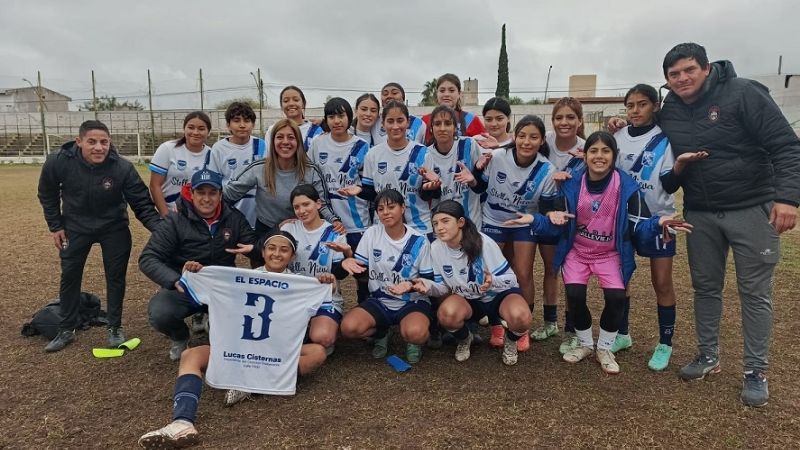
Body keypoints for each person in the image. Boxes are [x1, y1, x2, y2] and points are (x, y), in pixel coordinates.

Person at [653, 43, 798, 406]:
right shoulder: (670, 107)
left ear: (706, 68)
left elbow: (786, 146)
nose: (682, 78)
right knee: (705, 287)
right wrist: (624, 123)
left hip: (752, 208)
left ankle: (755, 370)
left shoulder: (743, 93)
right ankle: (707, 356)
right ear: (667, 81)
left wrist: (787, 199)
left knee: (754, 292)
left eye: (688, 70)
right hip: (701, 212)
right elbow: (651, 135)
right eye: (674, 74)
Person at [137, 230, 331, 449]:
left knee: (317, 353)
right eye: (272, 248)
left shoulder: (302, 284)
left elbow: (324, 303)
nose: (277, 254)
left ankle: (252, 383)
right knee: (190, 355)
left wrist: (325, 283)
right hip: (235, 349)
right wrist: (195, 273)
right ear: (263, 252)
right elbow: (194, 291)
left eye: (284, 250)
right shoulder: (234, 279)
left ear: (293, 257)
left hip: (274, 353)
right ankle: (182, 421)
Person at [545, 131, 688, 375]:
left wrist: (657, 223)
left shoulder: (628, 188)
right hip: (578, 252)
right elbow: (556, 214)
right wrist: (550, 214)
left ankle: (605, 347)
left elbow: (638, 225)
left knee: (616, 299)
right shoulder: (571, 183)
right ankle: (585, 343)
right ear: (585, 155)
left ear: (614, 156)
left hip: (609, 254)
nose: (599, 156)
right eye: (593, 151)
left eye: (605, 151)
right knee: (575, 295)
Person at [37, 120, 161, 352]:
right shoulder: (58, 161)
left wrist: (161, 230)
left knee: (115, 278)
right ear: (79, 142)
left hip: (113, 227)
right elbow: (47, 193)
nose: (98, 147)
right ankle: (66, 329)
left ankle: (114, 328)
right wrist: (55, 226)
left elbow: (142, 204)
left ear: (109, 143)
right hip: (74, 227)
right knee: (70, 275)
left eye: (104, 142)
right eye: (92, 142)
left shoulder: (122, 167)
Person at [139, 168, 258, 361]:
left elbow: (255, 243)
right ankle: (180, 337)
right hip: (186, 286)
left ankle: (214, 320)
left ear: (220, 195)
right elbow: (148, 258)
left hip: (222, 287)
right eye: (201, 193)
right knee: (160, 313)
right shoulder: (175, 221)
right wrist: (175, 279)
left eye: (212, 193)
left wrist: (256, 247)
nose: (206, 199)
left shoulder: (234, 218)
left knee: (247, 317)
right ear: (191, 193)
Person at [412, 200, 537, 365]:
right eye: (435, 223)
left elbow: (511, 279)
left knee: (521, 317)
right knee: (446, 314)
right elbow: (443, 287)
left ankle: (511, 340)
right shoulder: (435, 248)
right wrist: (427, 287)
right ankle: (465, 339)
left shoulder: (484, 243)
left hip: (497, 295)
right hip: (468, 299)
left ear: (461, 222)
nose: (439, 227)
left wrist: (492, 282)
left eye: (445, 221)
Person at [471, 115, 557, 353]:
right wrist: (475, 174)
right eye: (522, 136)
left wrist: (553, 215)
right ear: (514, 137)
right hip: (493, 220)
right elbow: (479, 186)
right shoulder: (498, 157)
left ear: (541, 141)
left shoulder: (547, 170)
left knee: (523, 273)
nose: (526, 142)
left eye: (533, 137)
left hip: (523, 223)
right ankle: (497, 324)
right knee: (490, 272)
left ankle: (522, 328)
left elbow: (547, 209)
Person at [612, 84, 678, 371]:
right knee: (622, 280)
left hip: (659, 220)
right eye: (630, 105)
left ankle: (664, 344)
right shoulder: (617, 137)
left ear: (654, 106)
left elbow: (670, 183)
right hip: (624, 219)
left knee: (661, 283)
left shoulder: (666, 140)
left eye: (642, 104)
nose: (635, 110)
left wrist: (682, 168)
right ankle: (623, 335)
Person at [224, 118, 342, 263]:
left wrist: (335, 221)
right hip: (266, 231)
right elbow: (227, 195)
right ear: (272, 142)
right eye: (280, 137)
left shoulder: (311, 170)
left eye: (291, 137)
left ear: (298, 142)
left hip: (301, 233)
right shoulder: (259, 168)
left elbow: (322, 203)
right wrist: (239, 224)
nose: (285, 142)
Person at [339, 189, 434, 364]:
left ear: (403, 208)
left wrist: (411, 284)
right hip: (380, 300)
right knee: (348, 328)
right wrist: (347, 258)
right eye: (381, 209)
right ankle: (382, 331)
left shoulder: (419, 240)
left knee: (416, 333)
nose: (386, 212)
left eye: (391, 207)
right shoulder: (372, 233)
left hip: (411, 301)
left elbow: (429, 280)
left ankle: (413, 342)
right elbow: (361, 271)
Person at [308, 97, 371, 302]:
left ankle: (364, 309)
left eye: (341, 115)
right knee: (328, 268)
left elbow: (370, 185)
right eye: (332, 116)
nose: (337, 121)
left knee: (361, 272)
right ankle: (329, 307)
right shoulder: (318, 144)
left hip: (356, 221)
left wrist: (359, 189)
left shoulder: (362, 146)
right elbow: (310, 178)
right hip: (327, 221)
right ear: (326, 119)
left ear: (349, 117)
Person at [539, 97, 587, 352]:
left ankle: (572, 329)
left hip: (573, 219)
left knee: (572, 274)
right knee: (550, 268)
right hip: (546, 215)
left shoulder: (588, 148)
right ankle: (550, 322)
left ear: (580, 121)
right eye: (559, 117)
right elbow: (517, 150)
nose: (564, 122)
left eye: (570, 117)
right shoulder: (544, 140)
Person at [281, 184, 352, 353]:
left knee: (323, 338)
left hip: (325, 298)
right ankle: (303, 330)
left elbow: (339, 273)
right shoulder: (288, 229)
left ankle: (316, 330)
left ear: (318, 204)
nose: (302, 210)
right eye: (297, 207)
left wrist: (337, 270)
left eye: (306, 204)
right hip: (293, 297)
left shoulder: (335, 232)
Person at [361, 101, 441, 240]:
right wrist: (359, 191)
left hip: (418, 228)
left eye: (400, 120)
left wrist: (433, 187)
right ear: (383, 123)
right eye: (390, 121)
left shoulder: (423, 153)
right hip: (385, 228)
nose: (395, 126)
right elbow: (371, 195)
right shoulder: (373, 154)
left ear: (408, 122)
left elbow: (427, 195)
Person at [207, 101, 266, 228]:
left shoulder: (261, 145)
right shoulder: (218, 148)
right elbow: (214, 182)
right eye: (237, 120)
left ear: (253, 124)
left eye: (247, 120)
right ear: (228, 125)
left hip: (256, 210)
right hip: (229, 208)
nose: (242, 125)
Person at [423, 105, 483, 226]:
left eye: (448, 123)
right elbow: (427, 196)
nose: (442, 128)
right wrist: (432, 188)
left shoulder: (469, 145)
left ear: (455, 127)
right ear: (431, 129)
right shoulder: (425, 154)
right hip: (442, 225)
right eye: (437, 124)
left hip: (470, 222)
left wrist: (473, 181)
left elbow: (481, 187)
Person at [149, 111, 212, 216]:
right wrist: (166, 217)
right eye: (191, 127)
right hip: (168, 214)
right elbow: (154, 186)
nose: (195, 132)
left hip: (196, 217)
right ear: (184, 129)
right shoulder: (168, 149)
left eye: (201, 129)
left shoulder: (212, 154)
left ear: (208, 132)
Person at [422, 73, 486, 145]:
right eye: (442, 91)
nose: (446, 94)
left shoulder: (471, 120)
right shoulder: (424, 121)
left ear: (459, 94)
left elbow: (484, 148)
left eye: (451, 90)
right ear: (437, 93)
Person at [266, 85, 323, 150]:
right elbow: (269, 157)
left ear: (303, 104)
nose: (291, 103)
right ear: (281, 106)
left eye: (296, 100)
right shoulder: (272, 130)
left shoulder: (316, 130)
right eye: (286, 101)